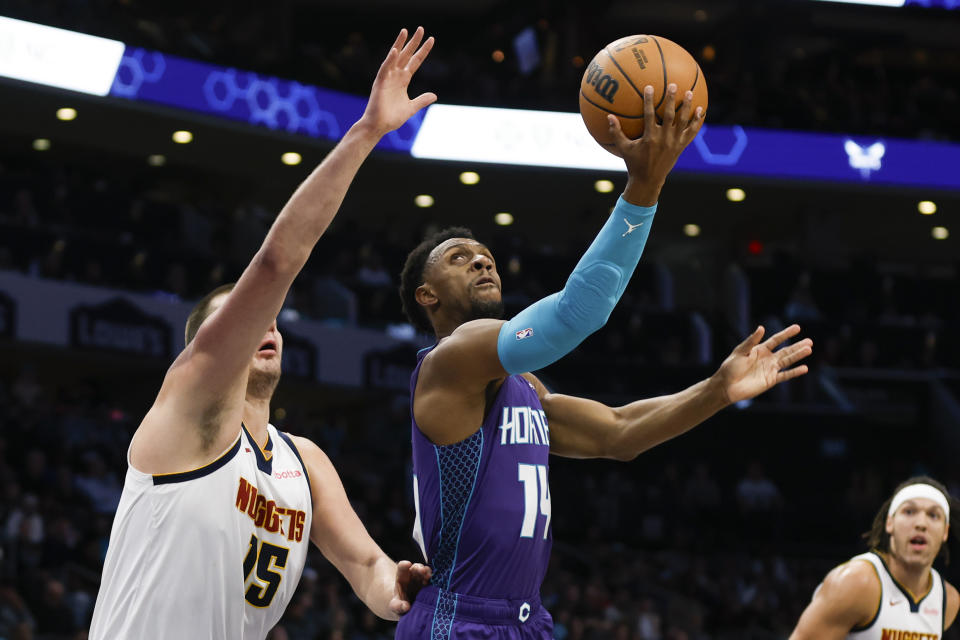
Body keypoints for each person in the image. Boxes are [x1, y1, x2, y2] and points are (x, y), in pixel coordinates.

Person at [395, 84, 813, 639]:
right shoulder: (448, 361)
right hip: (460, 618)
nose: (481, 260)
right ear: (427, 295)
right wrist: (644, 187)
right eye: (458, 258)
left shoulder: (523, 387)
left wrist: (716, 389)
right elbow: (573, 315)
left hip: (526, 619)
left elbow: (620, 433)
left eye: (486, 256)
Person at [89, 27, 436, 640]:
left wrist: (396, 588)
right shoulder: (190, 407)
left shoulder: (304, 462)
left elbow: (365, 567)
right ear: (207, 348)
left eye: (273, 319)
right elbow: (277, 263)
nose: (266, 322)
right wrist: (366, 134)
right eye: (247, 319)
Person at [790, 476, 960, 639]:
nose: (921, 524)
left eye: (933, 515)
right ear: (889, 523)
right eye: (909, 512)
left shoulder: (948, 600)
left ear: (945, 531)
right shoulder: (856, 582)